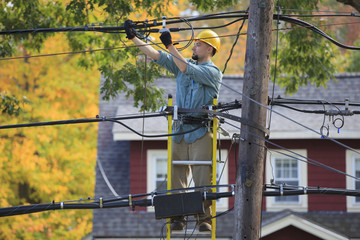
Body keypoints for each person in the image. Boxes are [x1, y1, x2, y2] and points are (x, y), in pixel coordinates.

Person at [124, 20, 222, 232]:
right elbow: (156, 55)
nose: (194, 46)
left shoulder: (213, 72)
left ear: (209, 49)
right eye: (195, 43)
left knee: (202, 175)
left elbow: (186, 68)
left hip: (201, 131)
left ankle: (203, 218)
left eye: (198, 43)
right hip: (180, 130)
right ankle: (178, 217)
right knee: (176, 176)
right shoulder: (181, 65)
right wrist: (134, 38)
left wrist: (170, 44)